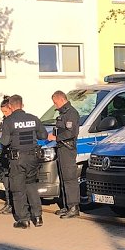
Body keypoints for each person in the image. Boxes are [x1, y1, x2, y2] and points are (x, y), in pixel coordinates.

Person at [0, 94, 47, 228]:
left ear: (10, 106)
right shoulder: (33, 118)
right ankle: (37, 217)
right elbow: (43, 135)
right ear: (22, 104)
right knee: (31, 186)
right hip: (33, 158)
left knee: (18, 189)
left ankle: (23, 219)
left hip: (17, 159)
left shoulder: (9, 121)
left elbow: (4, 142)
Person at [48, 90, 81, 219]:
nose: (55, 105)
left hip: (68, 148)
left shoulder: (71, 113)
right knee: (63, 178)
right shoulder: (63, 113)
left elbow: (71, 133)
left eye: (55, 103)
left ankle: (73, 207)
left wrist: (55, 138)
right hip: (61, 148)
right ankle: (66, 205)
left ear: (62, 99)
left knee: (69, 178)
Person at [0, 96, 14, 215]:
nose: (4, 114)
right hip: (4, 153)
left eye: (6, 111)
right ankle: (8, 203)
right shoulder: (4, 122)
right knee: (5, 180)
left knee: (13, 181)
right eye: (3, 112)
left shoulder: (14, 122)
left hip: (13, 154)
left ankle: (13, 204)